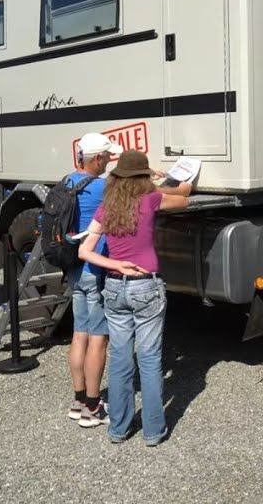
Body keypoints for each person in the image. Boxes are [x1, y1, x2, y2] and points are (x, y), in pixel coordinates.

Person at [78, 149, 192, 445]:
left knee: (119, 358)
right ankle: (153, 432)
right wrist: (164, 178)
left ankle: (119, 428)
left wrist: (116, 264)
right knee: (151, 358)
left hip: (115, 287)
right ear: (143, 177)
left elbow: (84, 251)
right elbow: (185, 196)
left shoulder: (107, 207)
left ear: (116, 177)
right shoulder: (151, 199)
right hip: (146, 286)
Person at [61, 133, 123, 428]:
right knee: (99, 340)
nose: (110, 161)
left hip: (73, 268)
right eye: (108, 157)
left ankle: (78, 400)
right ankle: (93, 407)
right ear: (97, 159)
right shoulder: (103, 187)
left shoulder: (66, 182)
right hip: (95, 270)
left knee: (79, 334)